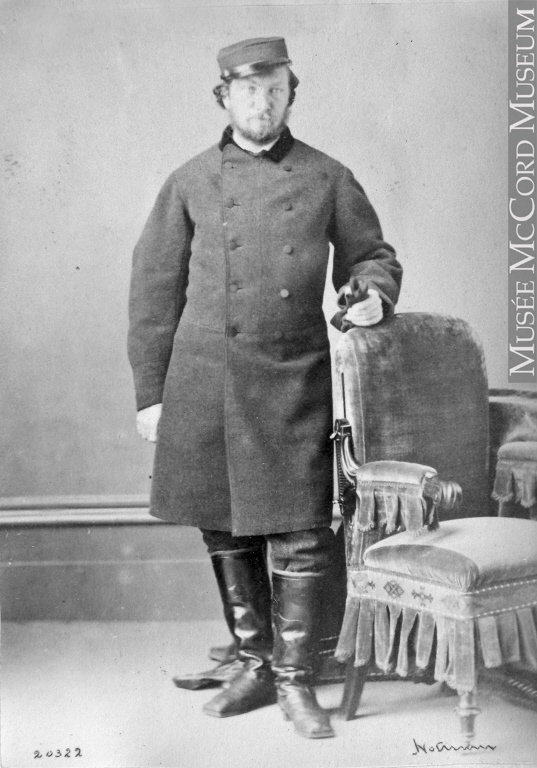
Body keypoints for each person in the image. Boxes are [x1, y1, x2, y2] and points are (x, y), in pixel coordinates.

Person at [128, 36, 402, 739]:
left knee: (303, 531)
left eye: (275, 89)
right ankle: (254, 663)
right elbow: (154, 293)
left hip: (292, 374)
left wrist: (372, 294)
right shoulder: (189, 181)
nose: (262, 103)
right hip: (206, 379)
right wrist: (151, 394)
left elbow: (371, 255)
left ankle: (294, 680)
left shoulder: (327, 177)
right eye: (249, 91)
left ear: (290, 94)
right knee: (223, 526)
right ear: (224, 96)